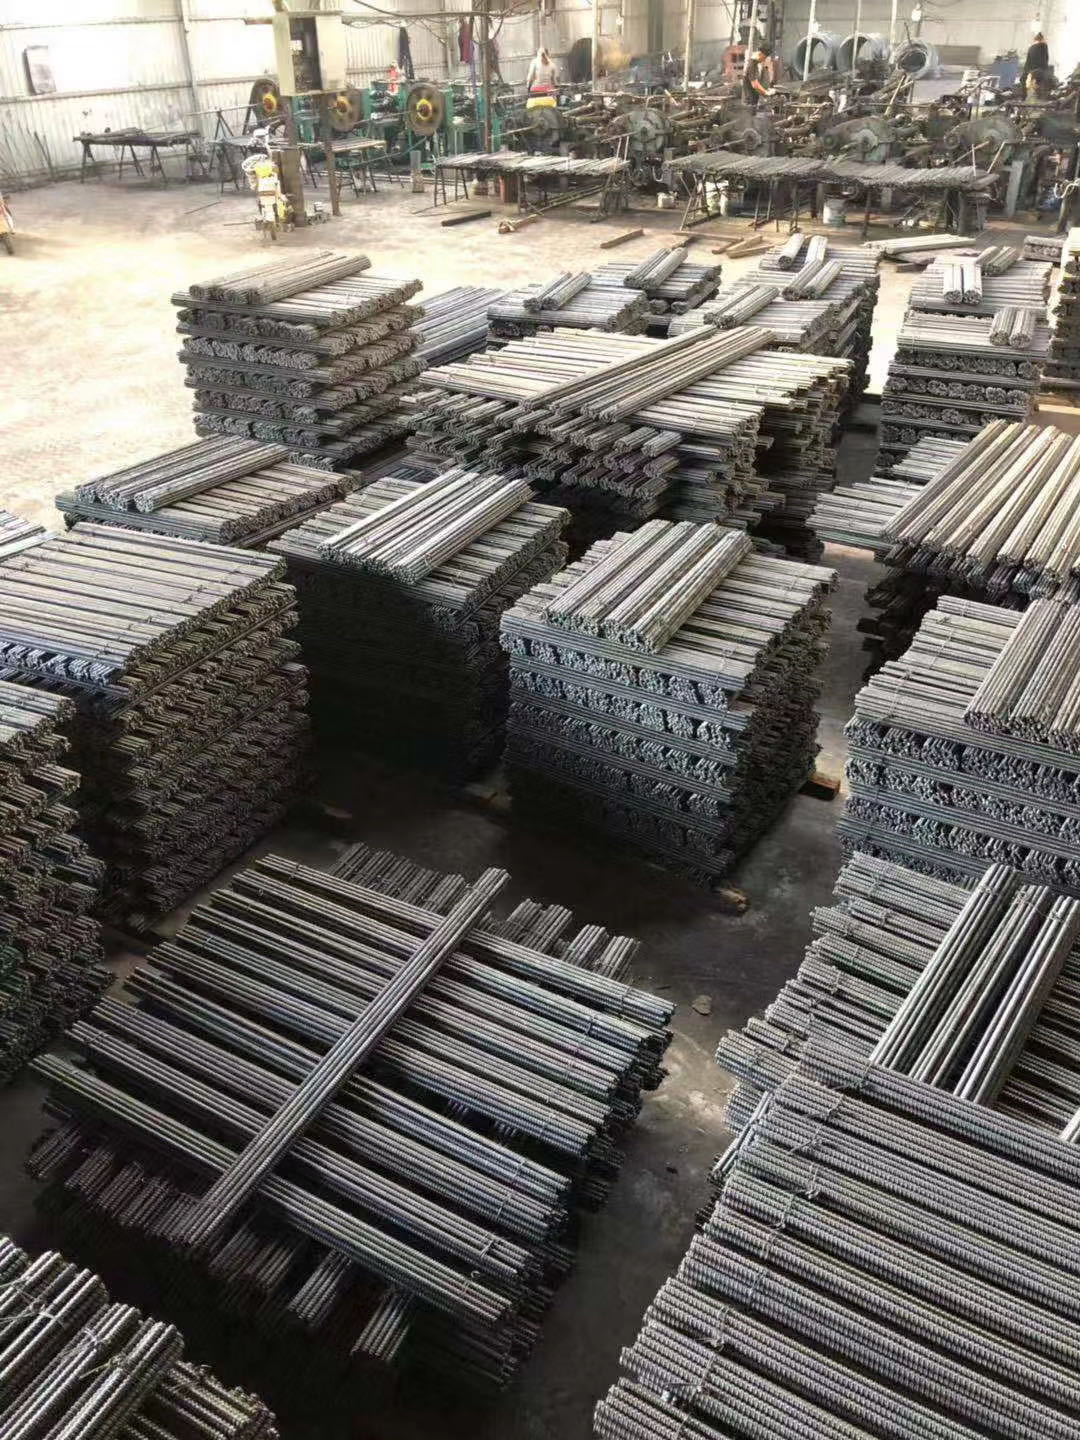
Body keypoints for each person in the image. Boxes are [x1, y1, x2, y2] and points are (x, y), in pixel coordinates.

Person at [1021, 31, 1050, 96]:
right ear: (1042, 39)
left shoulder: (1031, 48)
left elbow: (1028, 61)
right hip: (1040, 71)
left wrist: (1026, 71)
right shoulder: (1044, 46)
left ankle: (1024, 97)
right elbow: (1046, 59)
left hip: (1030, 71)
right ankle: (1040, 95)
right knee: (1041, 84)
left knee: (1024, 82)